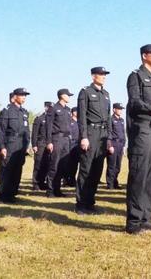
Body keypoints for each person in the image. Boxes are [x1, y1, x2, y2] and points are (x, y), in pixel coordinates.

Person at [125, 44, 151, 234]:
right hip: (142, 131)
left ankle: (145, 217)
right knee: (139, 175)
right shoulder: (136, 76)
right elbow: (133, 103)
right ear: (144, 56)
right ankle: (133, 221)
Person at [76, 67, 113, 215]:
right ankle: (81, 204)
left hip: (102, 134)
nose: (103, 77)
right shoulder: (85, 92)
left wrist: (109, 138)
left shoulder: (106, 94)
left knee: (97, 170)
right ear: (93, 76)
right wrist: (84, 136)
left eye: (105, 75)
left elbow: (109, 117)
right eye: (101, 75)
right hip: (90, 133)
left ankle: (90, 202)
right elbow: (82, 116)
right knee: (86, 169)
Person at [0, 87, 31, 203]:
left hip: (21, 144)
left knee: (17, 169)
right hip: (10, 143)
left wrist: (27, 145)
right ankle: (4, 195)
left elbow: (27, 130)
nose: (24, 97)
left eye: (25, 95)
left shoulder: (24, 112)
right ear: (15, 97)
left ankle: (13, 193)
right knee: (7, 169)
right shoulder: (6, 111)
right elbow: (1, 131)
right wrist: (2, 147)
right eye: (22, 95)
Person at [45, 89, 73, 197]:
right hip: (56, 138)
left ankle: (57, 190)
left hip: (66, 140)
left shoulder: (67, 110)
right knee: (54, 165)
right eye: (68, 95)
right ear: (62, 96)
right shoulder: (53, 109)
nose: (69, 97)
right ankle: (50, 190)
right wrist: (49, 142)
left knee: (62, 165)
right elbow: (48, 126)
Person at [31, 101, 53, 191]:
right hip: (41, 144)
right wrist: (34, 145)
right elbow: (34, 133)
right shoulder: (39, 118)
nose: (51, 109)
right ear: (46, 107)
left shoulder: (52, 119)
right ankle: (36, 184)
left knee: (47, 164)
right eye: (50, 107)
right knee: (38, 164)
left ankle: (42, 182)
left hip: (49, 143)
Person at [106, 103, 126, 189]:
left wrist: (124, 145)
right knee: (111, 165)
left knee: (118, 166)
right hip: (113, 144)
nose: (120, 111)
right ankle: (110, 184)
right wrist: (109, 145)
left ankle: (115, 182)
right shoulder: (110, 119)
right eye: (119, 109)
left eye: (121, 109)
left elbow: (123, 133)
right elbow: (108, 132)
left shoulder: (122, 120)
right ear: (114, 109)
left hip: (121, 144)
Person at [65, 107, 79, 187]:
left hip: (77, 145)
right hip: (70, 144)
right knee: (68, 163)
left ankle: (72, 179)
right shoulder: (70, 121)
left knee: (75, 164)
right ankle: (67, 180)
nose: (77, 113)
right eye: (76, 111)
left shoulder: (79, 122)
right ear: (73, 112)